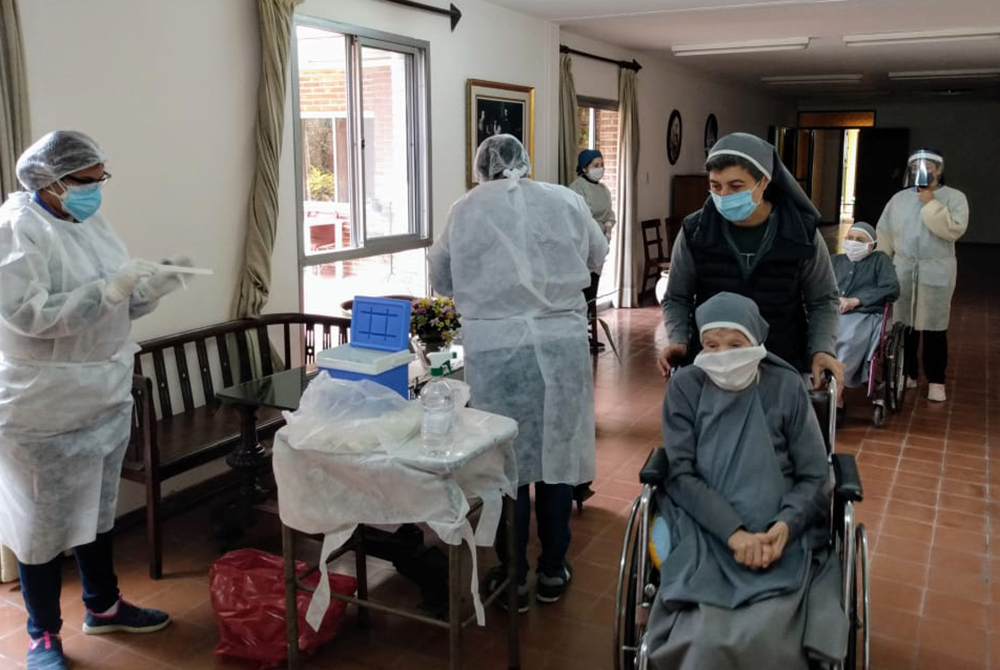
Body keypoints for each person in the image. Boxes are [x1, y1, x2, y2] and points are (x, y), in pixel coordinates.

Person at [0, 131, 193, 670]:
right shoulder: (16, 229)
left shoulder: (89, 222)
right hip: (43, 404)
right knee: (39, 527)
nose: (96, 191)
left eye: (100, 179)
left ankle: (103, 606)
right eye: (86, 182)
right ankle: (41, 635)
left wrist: (148, 288)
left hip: (102, 393)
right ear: (51, 180)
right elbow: (27, 315)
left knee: (96, 511)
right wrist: (107, 292)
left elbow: (113, 306)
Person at [429, 134, 608, 612]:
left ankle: (515, 578)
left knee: (504, 466)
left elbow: (441, 278)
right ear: (525, 164)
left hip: (496, 352)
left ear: (482, 167)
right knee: (555, 460)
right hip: (559, 345)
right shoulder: (565, 200)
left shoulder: (464, 210)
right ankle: (553, 568)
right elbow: (597, 255)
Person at [646, 292, 847, 670]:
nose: (723, 355)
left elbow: (815, 474)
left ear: (757, 341)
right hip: (705, 525)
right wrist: (733, 533)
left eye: (736, 344)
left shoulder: (786, 387)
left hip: (781, 530)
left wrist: (784, 527)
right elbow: (682, 474)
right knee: (704, 638)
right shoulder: (686, 388)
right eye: (711, 345)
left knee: (769, 634)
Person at [658, 132, 843, 391]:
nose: (723, 195)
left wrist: (822, 349)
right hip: (716, 364)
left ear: (763, 182)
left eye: (736, 187)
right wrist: (678, 339)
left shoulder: (800, 233)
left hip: (781, 359)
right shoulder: (695, 231)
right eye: (715, 186)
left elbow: (822, 300)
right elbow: (677, 297)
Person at [876, 149, 969, 402]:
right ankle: (907, 374)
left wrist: (930, 202)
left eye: (928, 166)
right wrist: (882, 264)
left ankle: (936, 380)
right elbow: (884, 233)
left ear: (939, 170)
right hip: (903, 268)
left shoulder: (954, 198)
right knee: (904, 326)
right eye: (917, 166)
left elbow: (952, 230)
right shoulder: (899, 199)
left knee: (935, 327)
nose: (923, 170)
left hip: (935, 269)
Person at [832, 222, 900, 422]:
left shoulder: (880, 261)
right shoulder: (835, 261)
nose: (853, 243)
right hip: (833, 311)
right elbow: (818, 284)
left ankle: (838, 394)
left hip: (864, 314)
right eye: (850, 238)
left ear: (871, 245)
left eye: (860, 240)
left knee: (847, 338)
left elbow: (891, 289)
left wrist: (857, 300)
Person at [569, 148, 616, 354]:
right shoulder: (577, 188)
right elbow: (578, 216)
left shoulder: (604, 190)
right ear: (584, 167)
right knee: (581, 292)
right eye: (595, 165)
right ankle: (579, 335)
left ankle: (589, 332)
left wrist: (607, 228)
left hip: (600, 243)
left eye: (601, 164)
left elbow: (609, 213)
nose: (600, 169)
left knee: (592, 292)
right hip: (582, 246)